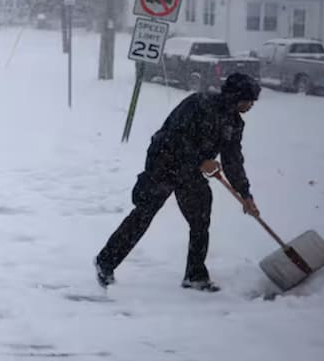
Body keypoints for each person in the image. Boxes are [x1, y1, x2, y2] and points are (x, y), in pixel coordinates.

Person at [94, 72, 262, 292]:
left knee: (201, 218)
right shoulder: (198, 104)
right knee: (144, 214)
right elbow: (173, 136)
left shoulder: (234, 124)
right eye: (248, 100)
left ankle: (195, 274)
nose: (251, 105)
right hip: (163, 163)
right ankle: (105, 262)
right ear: (235, 96)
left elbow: (233, 160)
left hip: (190, 172)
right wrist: (201, 160)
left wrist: (245, 194)